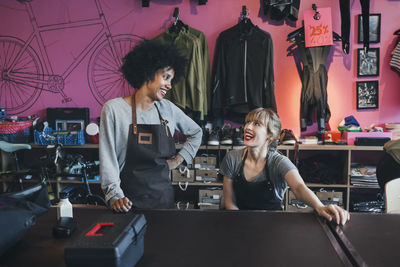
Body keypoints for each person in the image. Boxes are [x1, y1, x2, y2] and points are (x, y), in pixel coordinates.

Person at [100, 40, 202, 212]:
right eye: (166, 77)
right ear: (148, 72)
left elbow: (196, 132)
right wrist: (115, 196)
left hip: (163, 200)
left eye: (171, 79)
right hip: (126, 202)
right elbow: (108, 159)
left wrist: (179, 160)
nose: (170, 85)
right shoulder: (114, 109)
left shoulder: (167, 109)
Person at [221, 108, 350, 225]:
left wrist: (319, 206)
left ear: (270, 135)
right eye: (247, 122)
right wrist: (242, 226)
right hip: (238, 222)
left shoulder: (279, 162)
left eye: (256, 124)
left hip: (271, 226)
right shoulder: (232, 158)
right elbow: (229, 201)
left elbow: (299, 187)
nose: (247, 127)